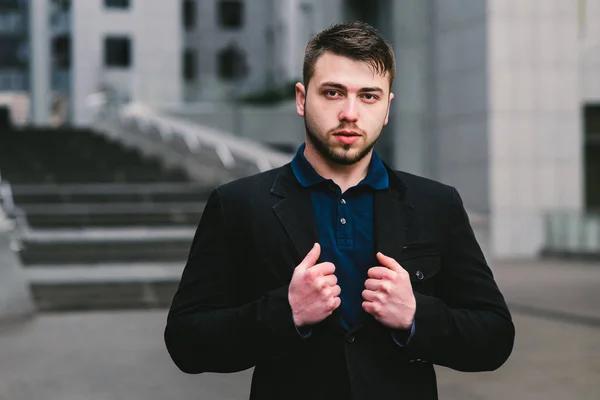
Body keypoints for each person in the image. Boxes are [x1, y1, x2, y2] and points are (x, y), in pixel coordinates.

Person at [164, 21, 515, 400]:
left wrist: (416, 316)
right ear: (302, 99)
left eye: (368, 96)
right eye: (332, 93)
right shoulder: (238, 204)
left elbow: (494, 336)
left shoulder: (436, 203)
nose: (350, 113)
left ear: (386, 108)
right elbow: (186, 341)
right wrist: (286, 312)